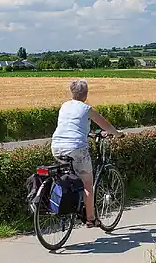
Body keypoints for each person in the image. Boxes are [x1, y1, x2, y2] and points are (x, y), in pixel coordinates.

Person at [51, 79, 124, 228]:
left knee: (69, 176)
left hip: (56, 147)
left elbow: (72, 127)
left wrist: (88, 133)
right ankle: (91, 219)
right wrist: (117, 134)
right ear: (86, 94)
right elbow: (105, 125)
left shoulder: (64, 106)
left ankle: (72, 206)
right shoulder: (87, 109)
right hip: (76, 148)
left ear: (72, 92)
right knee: (87, 185)